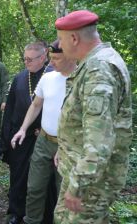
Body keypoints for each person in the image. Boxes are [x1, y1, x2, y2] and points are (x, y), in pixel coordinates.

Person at [54, 10, 132, 223]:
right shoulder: (93, 63)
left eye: (61, 39)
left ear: (74, 38)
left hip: (91, 183)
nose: (59, 46)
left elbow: (99, 143)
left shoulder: (99, 69)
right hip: (81, 173)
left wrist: (78, 186)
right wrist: (64, 149)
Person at [10, 40, 77, 224]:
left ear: (70, 56)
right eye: (51, 57)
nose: (51, 62)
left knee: (63, 190)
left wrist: (65, 146)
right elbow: (36, 105)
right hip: (43, 141)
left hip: (67, 146)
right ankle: (31, 220)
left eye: (56, 58)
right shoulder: (48, 78)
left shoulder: (81, 81)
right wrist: (23, 129)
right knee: (34, 188)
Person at [1, 41, 52, 224]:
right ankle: (15, 212)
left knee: (41, 180)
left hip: (43, 137)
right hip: (21, 136)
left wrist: (44, 128)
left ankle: (43, 215)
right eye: (25, 59)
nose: (26, 63)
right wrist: (6, 137)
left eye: (30, 60)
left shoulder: (53, 75)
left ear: (43, 57)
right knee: (18, 175)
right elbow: (10, 109)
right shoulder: (19, 78)